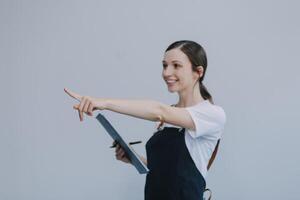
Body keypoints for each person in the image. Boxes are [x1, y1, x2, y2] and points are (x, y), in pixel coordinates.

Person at [64, 40, 226, 200]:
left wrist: (104, 103)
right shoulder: (167, 116)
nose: (167, 72)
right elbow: (167, 169)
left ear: (198, 72)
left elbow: (159, 111)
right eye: (164, 65)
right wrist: (134, 159)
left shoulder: (211, 114)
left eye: (176, 65)